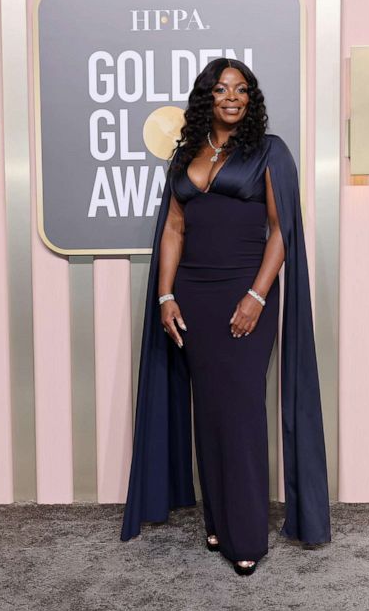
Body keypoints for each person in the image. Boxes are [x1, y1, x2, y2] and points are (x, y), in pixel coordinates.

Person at [120, 57, 330, 576]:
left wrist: (257, 296)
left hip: (244, 293)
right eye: (221, 89)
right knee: (208, 410)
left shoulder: (269, 152)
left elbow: (282, 231)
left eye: (240, 89)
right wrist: (165, 296)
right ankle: (217, 519)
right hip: (192, 296)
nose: (231, 97)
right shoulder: (185, 154)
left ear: (250, 97)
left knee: (240, 413)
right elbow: (173, 228)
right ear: (206, 98)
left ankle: (247, 536)